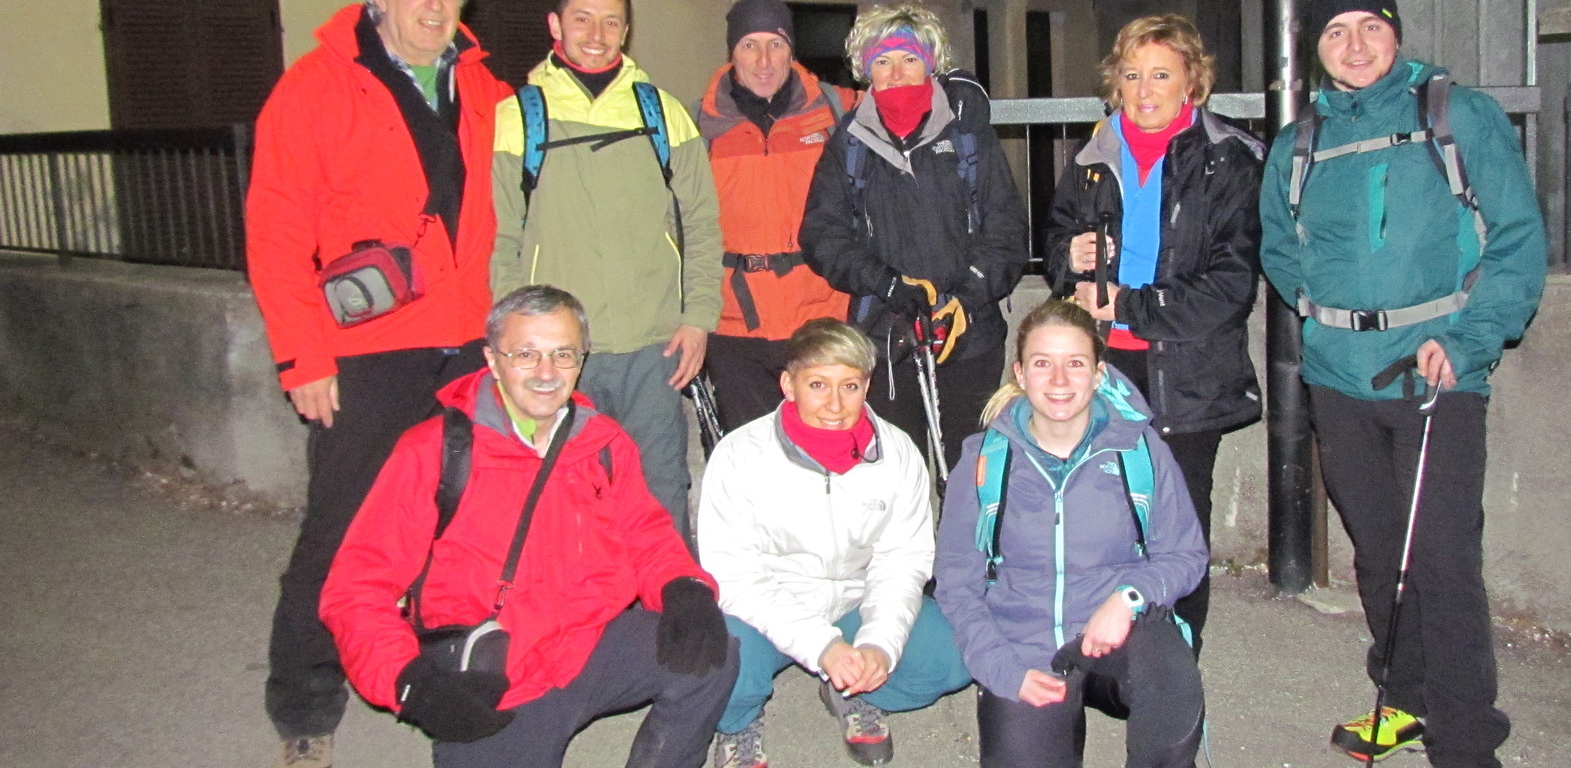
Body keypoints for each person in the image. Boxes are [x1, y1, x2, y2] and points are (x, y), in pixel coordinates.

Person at [1258, 0, 1545, 768]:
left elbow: (1518, 242)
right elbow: (1280, 248)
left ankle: (1465, 739)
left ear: (1395, 31)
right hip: (1339, 381)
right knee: (1382, 555)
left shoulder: (1459, 116)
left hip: (1438, 375)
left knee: (1445, 562)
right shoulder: (1300, 140)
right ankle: (1406, 699)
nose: (1355, 46)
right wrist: (1324, 310)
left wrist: (1466, 339)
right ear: (1317, 49)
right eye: (1336, 33)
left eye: (1370, 27)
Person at [246, 0, 512, 766]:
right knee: (341, 526)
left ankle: (442, 671)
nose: (434, 4)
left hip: (469, 342)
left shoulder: (485, 90)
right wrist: (303, 355)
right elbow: (276, 230)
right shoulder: (318, 86)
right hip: (365, 350)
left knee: (458, 525)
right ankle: (305, 704)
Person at [319, 285, 735, 768]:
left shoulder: (601, 441)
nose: (545, 373)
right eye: (525, 354)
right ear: (492, 361)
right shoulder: (434, 450)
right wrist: (412, 684)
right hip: (496, 676)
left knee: (713, 649)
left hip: (585, 641)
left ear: (582, 360)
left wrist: (684, 588)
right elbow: (356, 589)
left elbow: (645, 534)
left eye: (563, 354)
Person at [1044, 13, 1262, 650]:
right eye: (1132, 74)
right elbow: (1056, 242)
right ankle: (1108, 647)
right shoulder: (1092, 155)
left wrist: (1128, 305)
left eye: (1161, 74)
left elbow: (1230, 288)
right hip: (1103, 367)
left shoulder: (1231, 159)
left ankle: (1175, 660)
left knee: (1176, 523)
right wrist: (1070, 257)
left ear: (1192, 80)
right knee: (1102, 520)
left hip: (1186, 370)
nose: (1144, 90)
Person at [491, 0, 722, 535]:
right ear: (556, 23)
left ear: (627, 29)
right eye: (582, 19)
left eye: (611, 22)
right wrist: (510, 344)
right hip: (558, 351)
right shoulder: (518, 116)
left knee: (662, 490)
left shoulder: (663, 113)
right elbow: (501, 238)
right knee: (561, 496)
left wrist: (698, 319)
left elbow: (701, 222)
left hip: (654, 345)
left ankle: (671, 615)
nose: (596, 36)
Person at [934, 300, 1206, 768]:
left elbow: (1186, 554)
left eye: (1075, 364)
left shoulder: (1138, 450)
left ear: (1098, 373)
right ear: (1020, 373)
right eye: (1043, 363)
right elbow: (957, 584)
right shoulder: (983, 461)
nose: (1059, 380)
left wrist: (1129, 598)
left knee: (1171, 683)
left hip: (1119, 630)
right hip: (1024, 643)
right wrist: (1003, 670)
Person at [696, 317, 971, 768]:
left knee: (952, 660)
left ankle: (849, 688)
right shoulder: (739, 455)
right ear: (788, 384)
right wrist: (820, 645)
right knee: (713, 659)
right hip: (767, 608)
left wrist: (879, 644)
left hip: (853, 603)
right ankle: (738, 724)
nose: (835, 405)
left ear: (868, 385)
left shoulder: (898, 452)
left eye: (850, 386)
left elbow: (903, 559)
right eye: (818, 385)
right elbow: (735, 576)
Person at [800, 2, 1027, 476]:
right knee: (896, 477)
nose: (897, 73)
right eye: (882, 61)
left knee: (969, 475)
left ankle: (966, 552)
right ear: (867, 71)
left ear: (930, 64)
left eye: (909, 59)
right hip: (887, 338)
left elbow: (1005, 230)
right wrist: (886, 284)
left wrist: (967, 298)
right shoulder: (849, 144)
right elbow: (822, 234)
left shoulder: (967, 135)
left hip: (971, 336)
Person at [695, 0, 859, 430]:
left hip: (821, 317)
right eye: (750, 45)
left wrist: (963, 94)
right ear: (732, 52)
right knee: (752, 466)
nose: (764, 60)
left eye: (777, 44)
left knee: (825, 452)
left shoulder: (836, 111)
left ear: (792, 50)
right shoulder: (699, 125)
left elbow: (905, 100)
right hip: (734, 329)